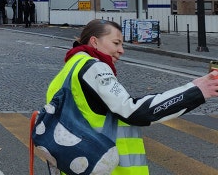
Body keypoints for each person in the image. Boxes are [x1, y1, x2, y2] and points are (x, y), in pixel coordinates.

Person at [44, 19, 218, 174]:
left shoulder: (68, 70)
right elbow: (133, 111)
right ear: (94, 42)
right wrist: (196, 90)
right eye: (116, 43)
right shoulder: (93, 67)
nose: (121, 50)